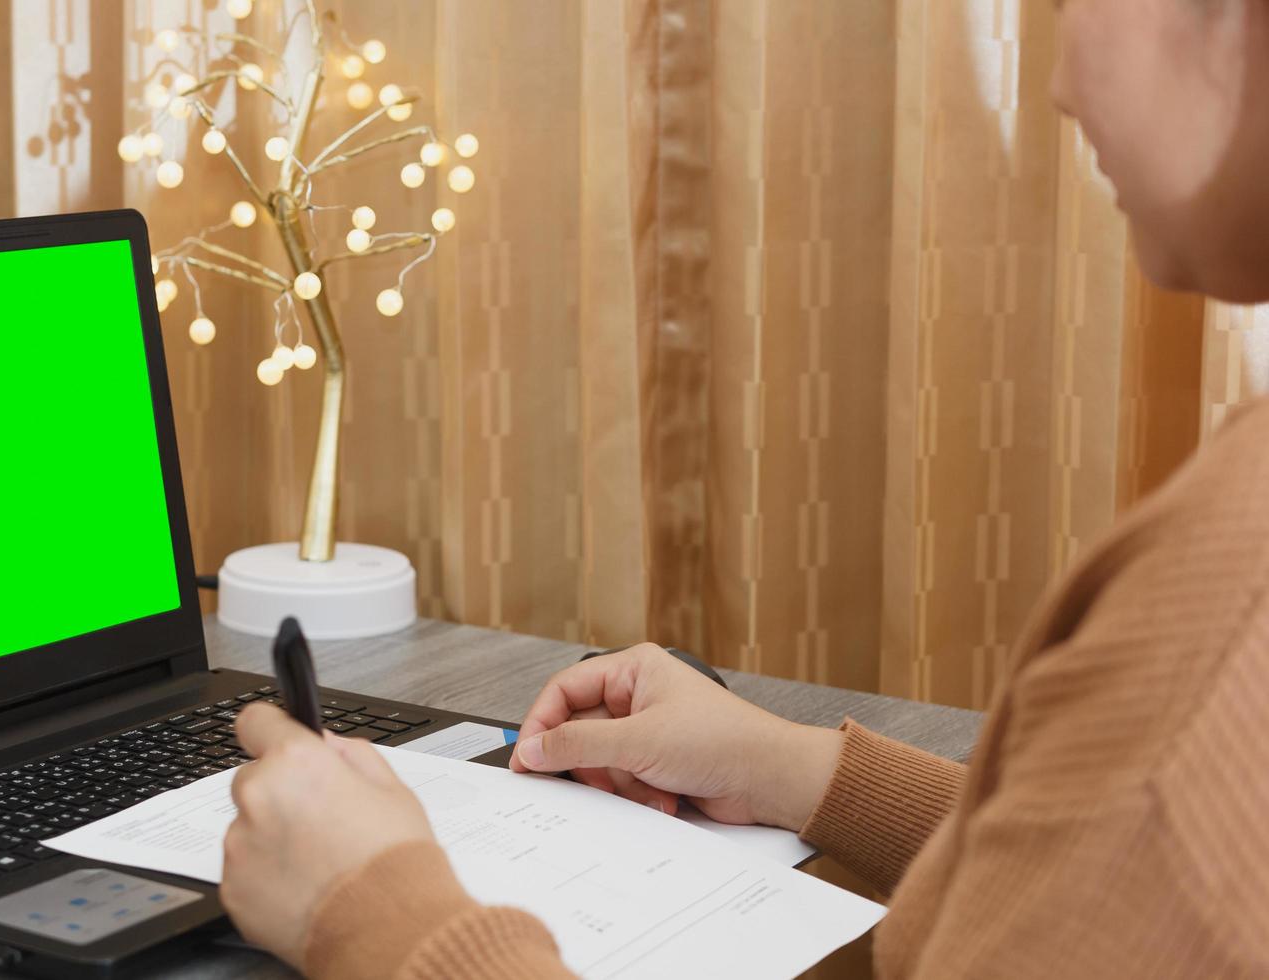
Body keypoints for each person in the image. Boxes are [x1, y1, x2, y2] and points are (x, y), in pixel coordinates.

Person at [218, 0, 1269, 976]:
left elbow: (1145, 822)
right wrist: (798, 770)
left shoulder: (1224, 605)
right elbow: (1102, 875)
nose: (1060, 86)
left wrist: (373, 904)